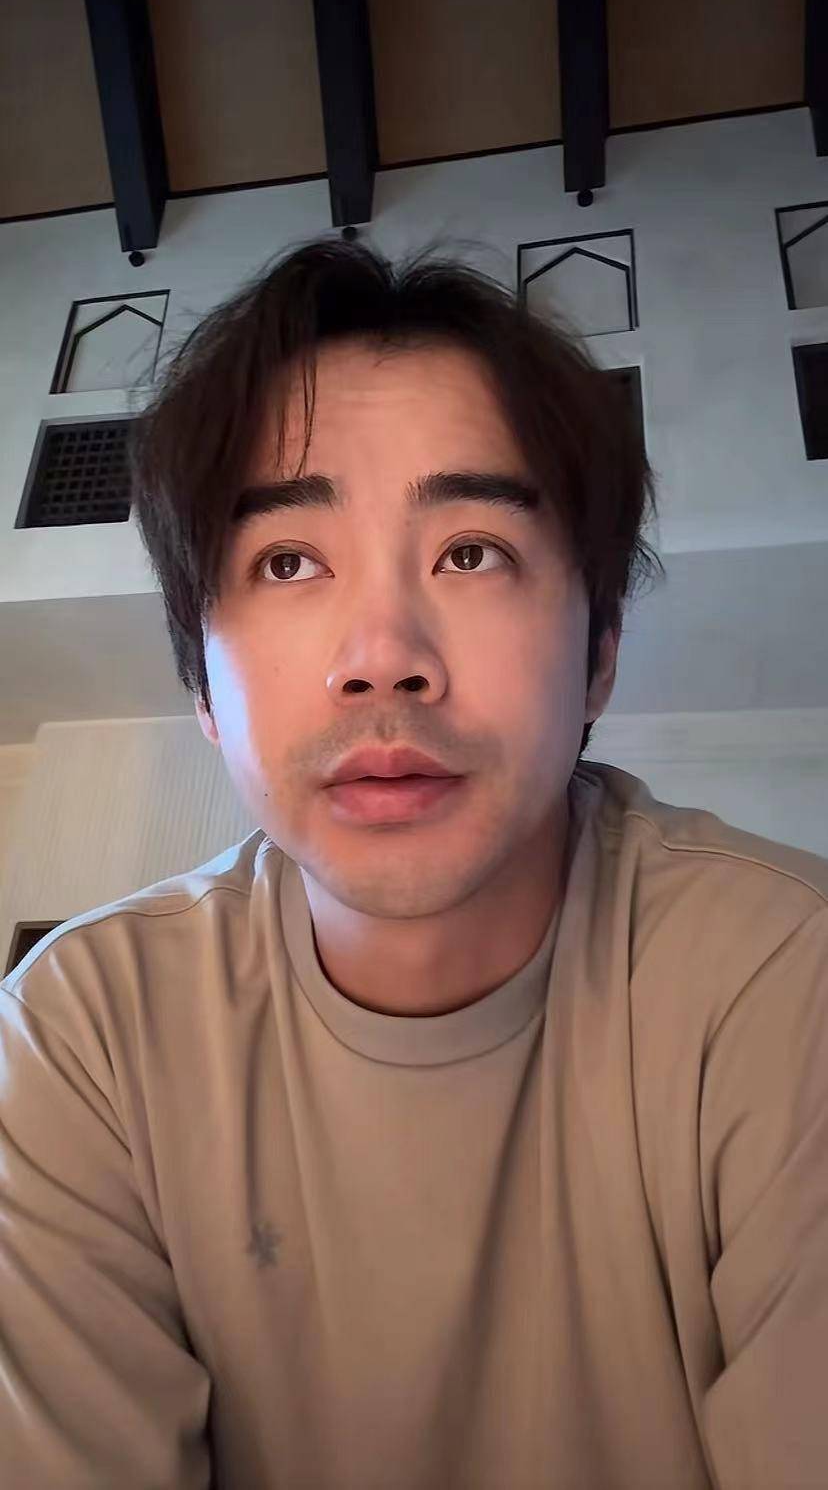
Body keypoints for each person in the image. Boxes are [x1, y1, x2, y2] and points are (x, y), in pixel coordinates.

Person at [1, 235, 826, 1490]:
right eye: (288, 561)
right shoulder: (75, 1041)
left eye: (471, 551)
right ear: (204, 690)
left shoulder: (788, 984)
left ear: (600, 657)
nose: (383, 655)